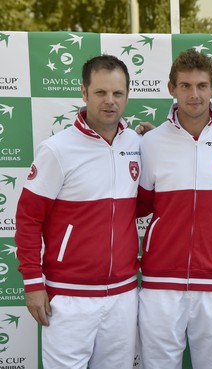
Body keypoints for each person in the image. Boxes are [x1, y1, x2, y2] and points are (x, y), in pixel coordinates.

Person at [15, 55, 140, 369]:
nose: (109, 101)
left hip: (123, 296)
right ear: (84, 93)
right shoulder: (57, 149)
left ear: (127, 95)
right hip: (69, 297)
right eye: (100, 93)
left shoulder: (137, 144)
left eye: (117, 93)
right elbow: (28, 219)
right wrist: (33, 284)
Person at [137, 49, 212, 369]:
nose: (194, 94)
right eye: (185, 86)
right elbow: (141, 205)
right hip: (161, 284)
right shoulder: (151, 142)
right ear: (171, 88)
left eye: (201, 85)